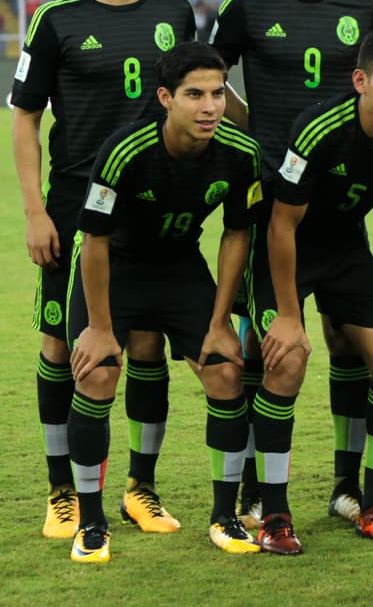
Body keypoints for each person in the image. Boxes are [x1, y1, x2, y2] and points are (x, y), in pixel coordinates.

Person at [11, 0, 197, 540]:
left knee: (144, 343)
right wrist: (35, 212)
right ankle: (62, 491)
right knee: (64, 345)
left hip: (154, 205)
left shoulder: (177, 11)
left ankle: (141, 488)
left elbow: (199, 99)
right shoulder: (55, 21)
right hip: (72, 207)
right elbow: (26, 118)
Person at [209, 0, 373, 527]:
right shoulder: (247, 6)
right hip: (271, 208)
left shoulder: (366, 8)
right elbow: (208, 74)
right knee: (269, 346)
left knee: (347, 340)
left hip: (341, 210)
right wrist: (256, 126)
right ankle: (258, 488)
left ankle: (347, 485)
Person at [248, 27, 373, 552]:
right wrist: (289, 316)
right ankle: (273, 514)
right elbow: (281, 225)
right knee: (287, 359)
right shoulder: (319, 129)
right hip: (286, 247)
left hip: (345, 248)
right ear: (361, 81)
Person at [64, 42, 263, 562]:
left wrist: (221, 321)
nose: (209, 106)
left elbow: (236, 235)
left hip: (178, 267)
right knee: (99, 371)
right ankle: (90, 521)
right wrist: (101, 328)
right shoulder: (125, 149)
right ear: (165, 98)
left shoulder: (241, 153)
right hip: (117, 269)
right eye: (194, 94)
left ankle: (224, 518)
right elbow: (96, 241)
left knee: (224, 369)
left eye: (218, 94)